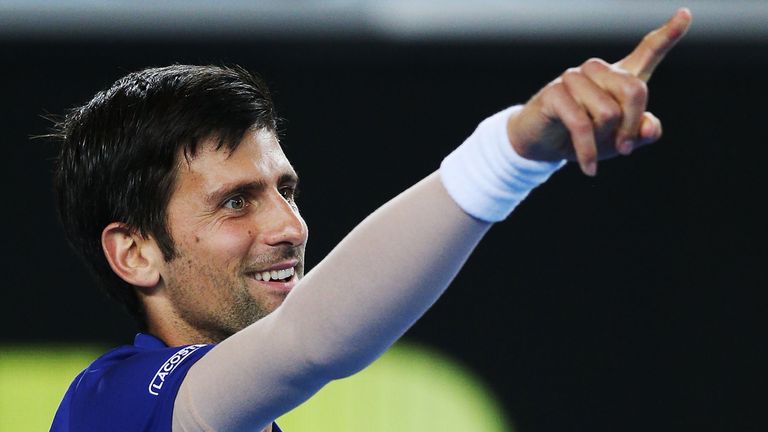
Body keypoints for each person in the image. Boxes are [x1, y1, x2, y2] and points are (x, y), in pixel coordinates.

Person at [49, 9, 692, 432]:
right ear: (135, 252)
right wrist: (510, 154)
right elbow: (311, 343)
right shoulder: (110, 408)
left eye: (287, 190)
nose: (290, 227)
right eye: (236, 202)